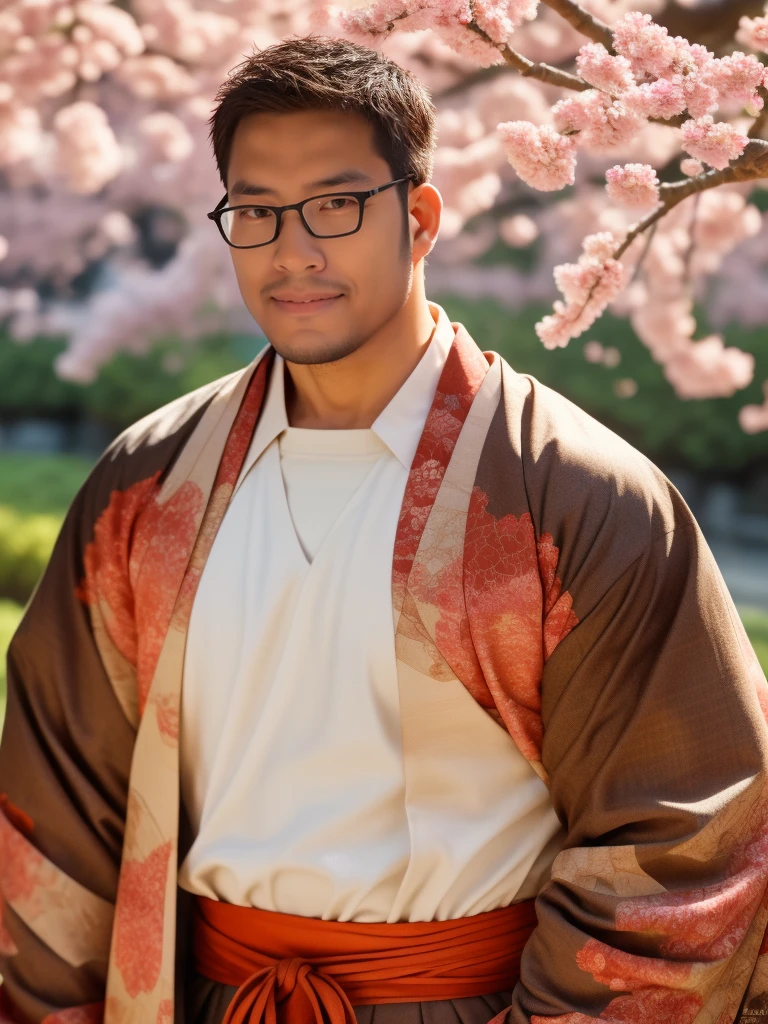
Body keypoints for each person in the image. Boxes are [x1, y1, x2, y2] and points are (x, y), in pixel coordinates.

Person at [1, 32, 767, 1024]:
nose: (294, 248)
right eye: (257, 212)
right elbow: (51, 816)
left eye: (336, 203)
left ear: (420, 216)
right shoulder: (146, 489)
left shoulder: (573, 499)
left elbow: (684, 832)